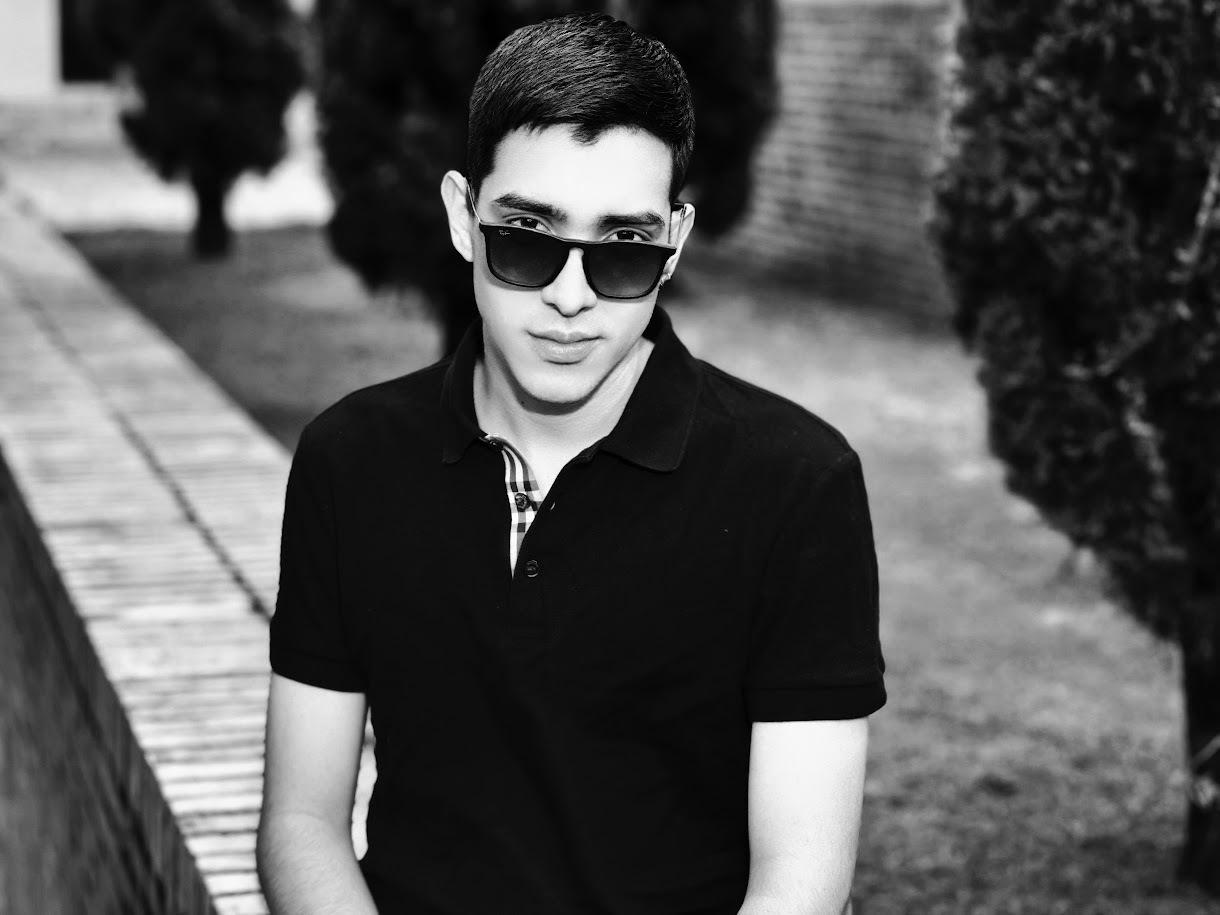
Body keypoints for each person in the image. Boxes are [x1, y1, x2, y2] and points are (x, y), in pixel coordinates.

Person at [257, 12, 885, 915]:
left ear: (675, 240)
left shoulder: (797, 484)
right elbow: (301, 822)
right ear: (463, 217)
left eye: (623, 250)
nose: (570, 297)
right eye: (527, 236)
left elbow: (801, 883)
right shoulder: (349, 461)